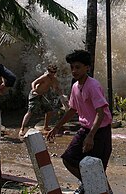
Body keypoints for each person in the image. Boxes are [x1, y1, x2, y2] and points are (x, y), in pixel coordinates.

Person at [47, 50, 112, 194]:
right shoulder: (75, 86)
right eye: (72, 67)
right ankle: (89, 184)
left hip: (99, 131)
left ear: (87, 68)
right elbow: (72, 110)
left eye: (77, 67)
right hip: (85, 129)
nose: (74, 71)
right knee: (68, 159)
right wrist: (57, 127)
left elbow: (100, 114)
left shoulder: (93, 86)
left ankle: (103, 190)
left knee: (96, 167)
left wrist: (91, 136)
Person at [19, 64, 62, 136]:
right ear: (48, 71)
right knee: (30, 112)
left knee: (49, 110)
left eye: (54, 72)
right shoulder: (44, 77)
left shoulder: (54, 79)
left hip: (42, 96)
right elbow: (34, 82)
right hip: (35, 94)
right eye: (51, 72)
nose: (52, 73)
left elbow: (57, 88)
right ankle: (22, 129)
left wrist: (62, 96)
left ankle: (46, 126)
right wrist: (33, 89)